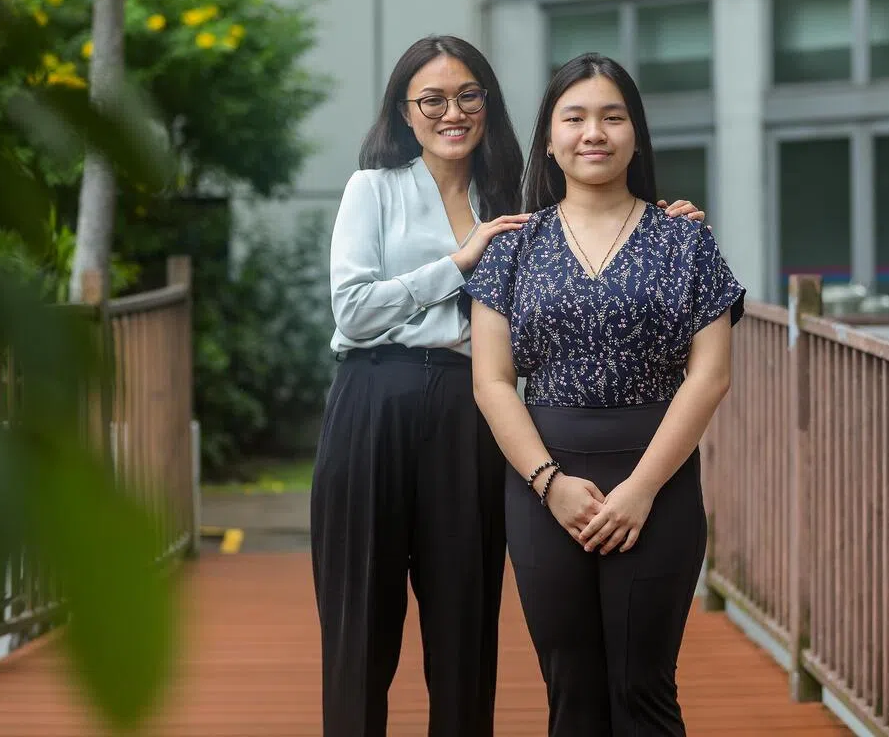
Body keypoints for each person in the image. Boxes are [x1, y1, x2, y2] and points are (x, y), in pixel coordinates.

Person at [310, 36, 707, 737]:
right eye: (431, 99)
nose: (452, 112)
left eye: (469, 96)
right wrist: (457, 263)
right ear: (404, 112)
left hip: (472, 410)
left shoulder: (513, 200)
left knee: (465, 626)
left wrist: (664, 226)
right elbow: (353, 311)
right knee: (360, 624)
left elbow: (586, 235)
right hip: (376, 397)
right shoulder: (372, 189)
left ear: (490, 105)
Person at [464, 52, 745, 737]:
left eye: (612, 117)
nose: (594, 132)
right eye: (576, 118)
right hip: (543, 484)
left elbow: (710, 376)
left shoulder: (686, 239)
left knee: (643, 688)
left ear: (635, 135)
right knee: (571, 692)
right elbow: (492, 381)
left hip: (659, 479)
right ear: (551, 139)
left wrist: (643, 488)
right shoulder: (513, 246)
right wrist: (548, 481)